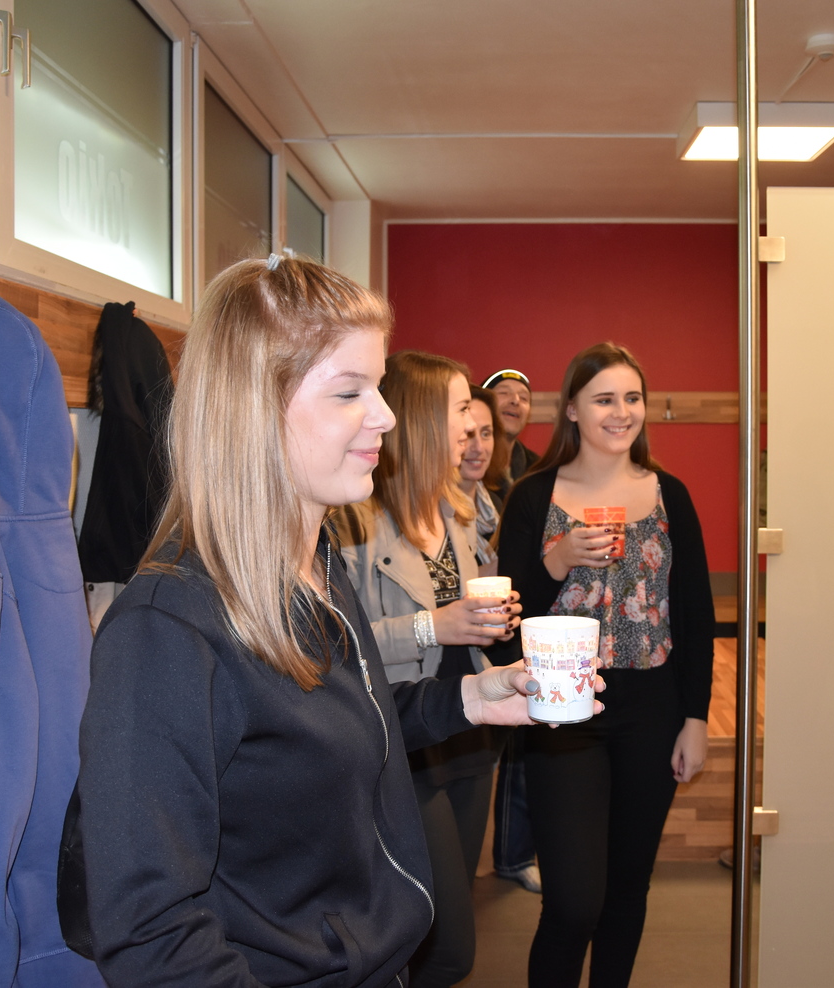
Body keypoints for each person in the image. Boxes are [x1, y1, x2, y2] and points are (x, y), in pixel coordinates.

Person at [67, 255, 597, 988]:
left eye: (377, 387)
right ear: (254, 408)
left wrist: (473, 699)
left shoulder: (321, 567)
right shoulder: (166, 631)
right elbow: (151, 934)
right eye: (350, 391)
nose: (383, 416)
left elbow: (350, 724)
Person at [496, 342, 714, 988]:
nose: (622, 413)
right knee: (572, 901)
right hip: (564, 711)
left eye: (632, 398)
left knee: (627, 890)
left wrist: (696, 717)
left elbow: (695, 614)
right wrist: (557, 560)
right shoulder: (536, 497)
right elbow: (507, 614)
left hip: (652, 707)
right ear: (571, 410)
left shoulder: (669, 495)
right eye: (604, 399)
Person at [336, 351, 521, 988]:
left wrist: (493, 617)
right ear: (419, 423)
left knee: (443, 927)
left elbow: (465, 612)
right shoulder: (354, 523)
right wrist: (433, 626)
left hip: (467, 734)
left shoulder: (458, 512)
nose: (473, 426)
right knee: (444, 948)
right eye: (459, 409)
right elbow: (338, 646)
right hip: (403, 745)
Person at [464, 385, 543, 894]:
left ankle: (511, 855)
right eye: (465, 432)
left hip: (491, 654)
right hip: (446, 677)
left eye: (485, 433)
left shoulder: (492, 500)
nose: (476, 444)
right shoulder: (444, 506)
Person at [460, 385, 510, 572]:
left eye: (486, 433)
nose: (479, 447)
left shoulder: (496, 504)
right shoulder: (432, 515)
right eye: (469, 434)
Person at [483, 368, 536, 482]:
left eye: (523, 398)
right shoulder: (465, 463)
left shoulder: (538, 470)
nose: (515, 401)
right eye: (504, 393)